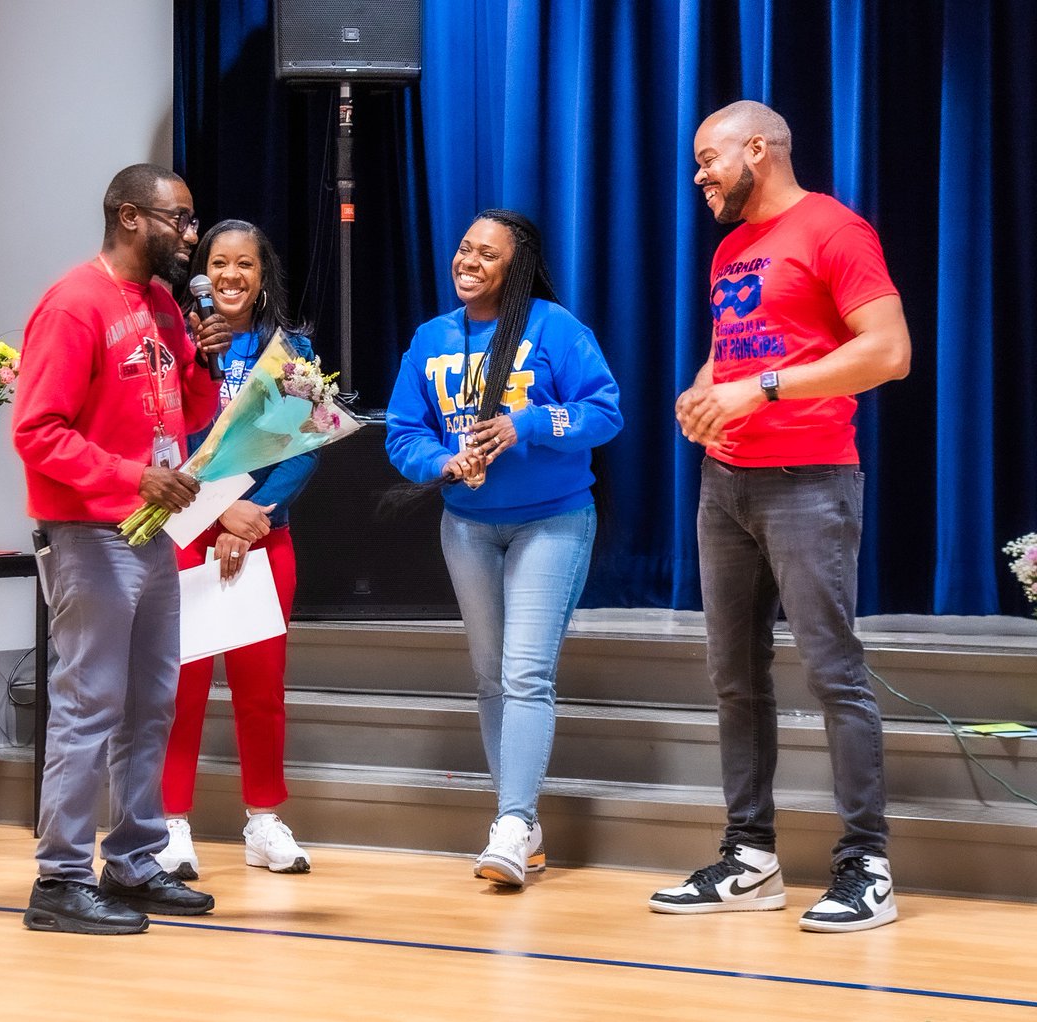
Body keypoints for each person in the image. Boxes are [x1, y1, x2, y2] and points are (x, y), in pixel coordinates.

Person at [652, 101, 911, 933]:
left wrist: (757, 391)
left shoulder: (835, 230)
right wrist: (704, 388)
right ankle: (750, 855)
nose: (699, 176)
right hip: (725, 485)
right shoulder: (732, 247)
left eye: (708, 160)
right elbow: (746, 347)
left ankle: (866, 864)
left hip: (809, 480)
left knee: (833, 672)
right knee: (734, 677)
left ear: (757, 149)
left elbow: (887, 352)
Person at [12, 163, 228, 935]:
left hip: (151, 530)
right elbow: (37, 434)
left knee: (149, 701)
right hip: (89, 531)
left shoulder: (165, 306)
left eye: (193, 220)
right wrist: (133, 478)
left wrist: (203, 357)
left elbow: (190, 412)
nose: (192, 236)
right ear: (131, 217)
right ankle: (60, 879)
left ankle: (134, 858)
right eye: (181, 219)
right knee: (89, 701)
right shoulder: (76, 305)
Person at [385, 209, 623, 889]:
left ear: (513, 268)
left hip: (551, 521)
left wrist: (525, 424)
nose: (470, 261)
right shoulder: (431, 339)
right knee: (491, 677)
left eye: (488, 254)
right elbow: (403, 433)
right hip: (466, 526)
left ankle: (512, 825)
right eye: (464, 248)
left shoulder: (554, 328)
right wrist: (441, 463)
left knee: (524, 674)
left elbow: (605, 411)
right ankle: (521, 826)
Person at [155, 219, 319, 879]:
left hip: (262, 539)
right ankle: (169, 827)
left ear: (262, 275)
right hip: (187, 538)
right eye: (219, 263)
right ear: (201, 272)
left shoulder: (290, 350)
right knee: (182, 687)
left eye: (244, 264)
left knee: (260, 688)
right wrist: (220, 513)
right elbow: (166, 444)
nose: (230, 275)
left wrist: (248, 519)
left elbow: (303, 448)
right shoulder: (172, 347)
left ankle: (265, 823)